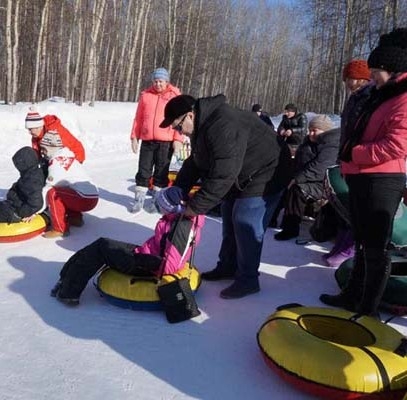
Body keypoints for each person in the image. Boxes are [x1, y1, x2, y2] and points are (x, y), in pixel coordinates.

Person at [159, 94, 282, 299]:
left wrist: (193, 207)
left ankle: (248, 279)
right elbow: (196, 162)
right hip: (242, 171)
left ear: (190, 115)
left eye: (178, 126)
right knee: (228, 212)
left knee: (244, 219)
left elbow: (222, 176)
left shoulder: (222, 125)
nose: (177, 131)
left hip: (267, 171)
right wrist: (179, 188)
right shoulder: (203, 124)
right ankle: (228, 266)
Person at [320, 27, 407, 316]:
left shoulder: (403, 98)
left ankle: (368, 308)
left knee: (375, 248)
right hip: (360, 174)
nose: (372, 78)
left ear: (393, 70)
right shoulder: (381, 94)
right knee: (360, 240)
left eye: (377, 72)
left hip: (383, 179)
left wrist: (355, 154)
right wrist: (350, 162)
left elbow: (397, 144)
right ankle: (352, 295)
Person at [50, 186, 205, 306]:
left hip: (150, 265)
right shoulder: (175, 218)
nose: (159, 209)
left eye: (160, 206)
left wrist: (142, 260)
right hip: (146, 255)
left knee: (100, 249)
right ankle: (65, 279)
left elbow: (171, 265)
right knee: (100, 244)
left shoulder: (181, 227)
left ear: (172, 207)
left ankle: (69, 293)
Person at [323, 59, 372, 267]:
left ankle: (350, 247)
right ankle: (341, 242)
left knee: (358, 209)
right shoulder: (354, 98)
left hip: (362, 160)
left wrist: (356, 153)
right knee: (345, 205)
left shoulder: (370, 96)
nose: (347, 83)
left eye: (350, 78)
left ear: (361, 78)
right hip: (347, 157)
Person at [274, 115, 339, 241]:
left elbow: (320, 168)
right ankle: (270, 219)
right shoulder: (309, 142)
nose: (311, 133)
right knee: (281, 182)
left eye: (315, 130)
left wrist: (297, 179)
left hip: (324, 183)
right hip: (307, 177)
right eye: (310, 130)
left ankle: (290, 228)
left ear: (325, 130)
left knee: (297, 189)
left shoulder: (332, 145)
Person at [130, 68, 183, 214]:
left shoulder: (175, 95)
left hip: (165, 141)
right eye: (155, 81)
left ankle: (156, 200)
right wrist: (134, 137)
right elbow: (138, 118)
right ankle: (139, 199)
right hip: (148, 140)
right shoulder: (146, 95)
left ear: (167, 81)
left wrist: (178, 139)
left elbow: (180, 119)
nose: (158, 84)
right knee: (143, 170)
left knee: (161, 172)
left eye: (161, 81)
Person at [40, 132, 99, 238]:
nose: (42, 152)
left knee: (53, 193)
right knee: (66, 190)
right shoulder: (69, 157)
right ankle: (75, 218)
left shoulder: (56, 163)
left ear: (51, 148)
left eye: (44, 149)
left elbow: (48, 189)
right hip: (93, 197)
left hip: (84, 199)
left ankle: (59, 229)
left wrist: (36, 211)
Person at [0, 147, 45, 223]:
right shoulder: (29, 174)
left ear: (24, 163)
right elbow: (20, 187)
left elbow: (36, 203)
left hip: (16, 212)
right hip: (14, 205)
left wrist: (21, 212)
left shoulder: (33, 180)